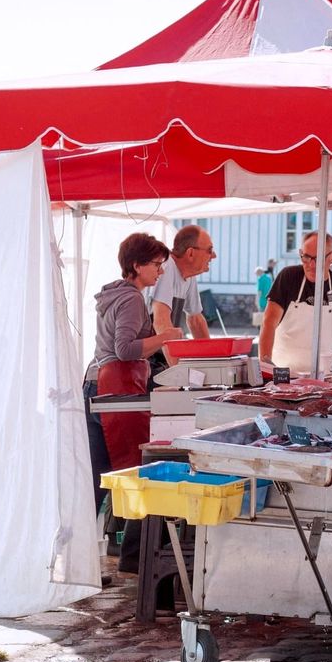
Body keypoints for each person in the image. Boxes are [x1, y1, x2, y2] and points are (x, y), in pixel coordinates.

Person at [85, 233, 183, 572]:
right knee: (138, 473)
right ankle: (133, 558)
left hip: (97, 387)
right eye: (156, 265)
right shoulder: (131, 300)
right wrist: (164, 338)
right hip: (117, 391)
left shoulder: (113, 295)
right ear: (137, 265)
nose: (159, 272)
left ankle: (78, 561)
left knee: (95, 480)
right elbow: (125, 349)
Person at [258, 232, 332, 372]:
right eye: (306, 257)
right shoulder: (288, 277)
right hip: (282, 372)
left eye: (319, 258)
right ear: (301, 253)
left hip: (324, 374)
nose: (311, 265)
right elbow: (269, 322)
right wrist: (265, 367)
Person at [150, 225, 215, 363]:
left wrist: (212, 361)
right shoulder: (167, 267)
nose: (213, 256)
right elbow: (161, 321)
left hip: (158, 359)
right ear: (190, 253)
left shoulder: (189, 276)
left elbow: (196, 320)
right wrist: (177, 373)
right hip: (143, 363)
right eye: (210, 250)